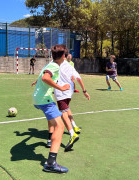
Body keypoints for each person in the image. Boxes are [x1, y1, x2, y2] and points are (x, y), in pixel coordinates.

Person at [31, 44, 70, 173]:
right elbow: (45, 77)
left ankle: (49, 141)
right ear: (64, 56)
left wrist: (37, 82)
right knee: (60, 126)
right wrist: (61, 88)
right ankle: (51, 163)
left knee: (54, 123)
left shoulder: (49, 64)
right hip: (45, 100)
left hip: (39, 99)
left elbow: (43, 76)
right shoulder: (54, 66)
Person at [46, 52, 90, 152]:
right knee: (66, 108)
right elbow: (79, 78)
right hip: (69, 93)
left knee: (63, 113)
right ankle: (73, 126)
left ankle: (72, 133)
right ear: (66, 56)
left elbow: (47, 74)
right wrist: (84, 91)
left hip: (61, 92)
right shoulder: (70, 66)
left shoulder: (56, 64)